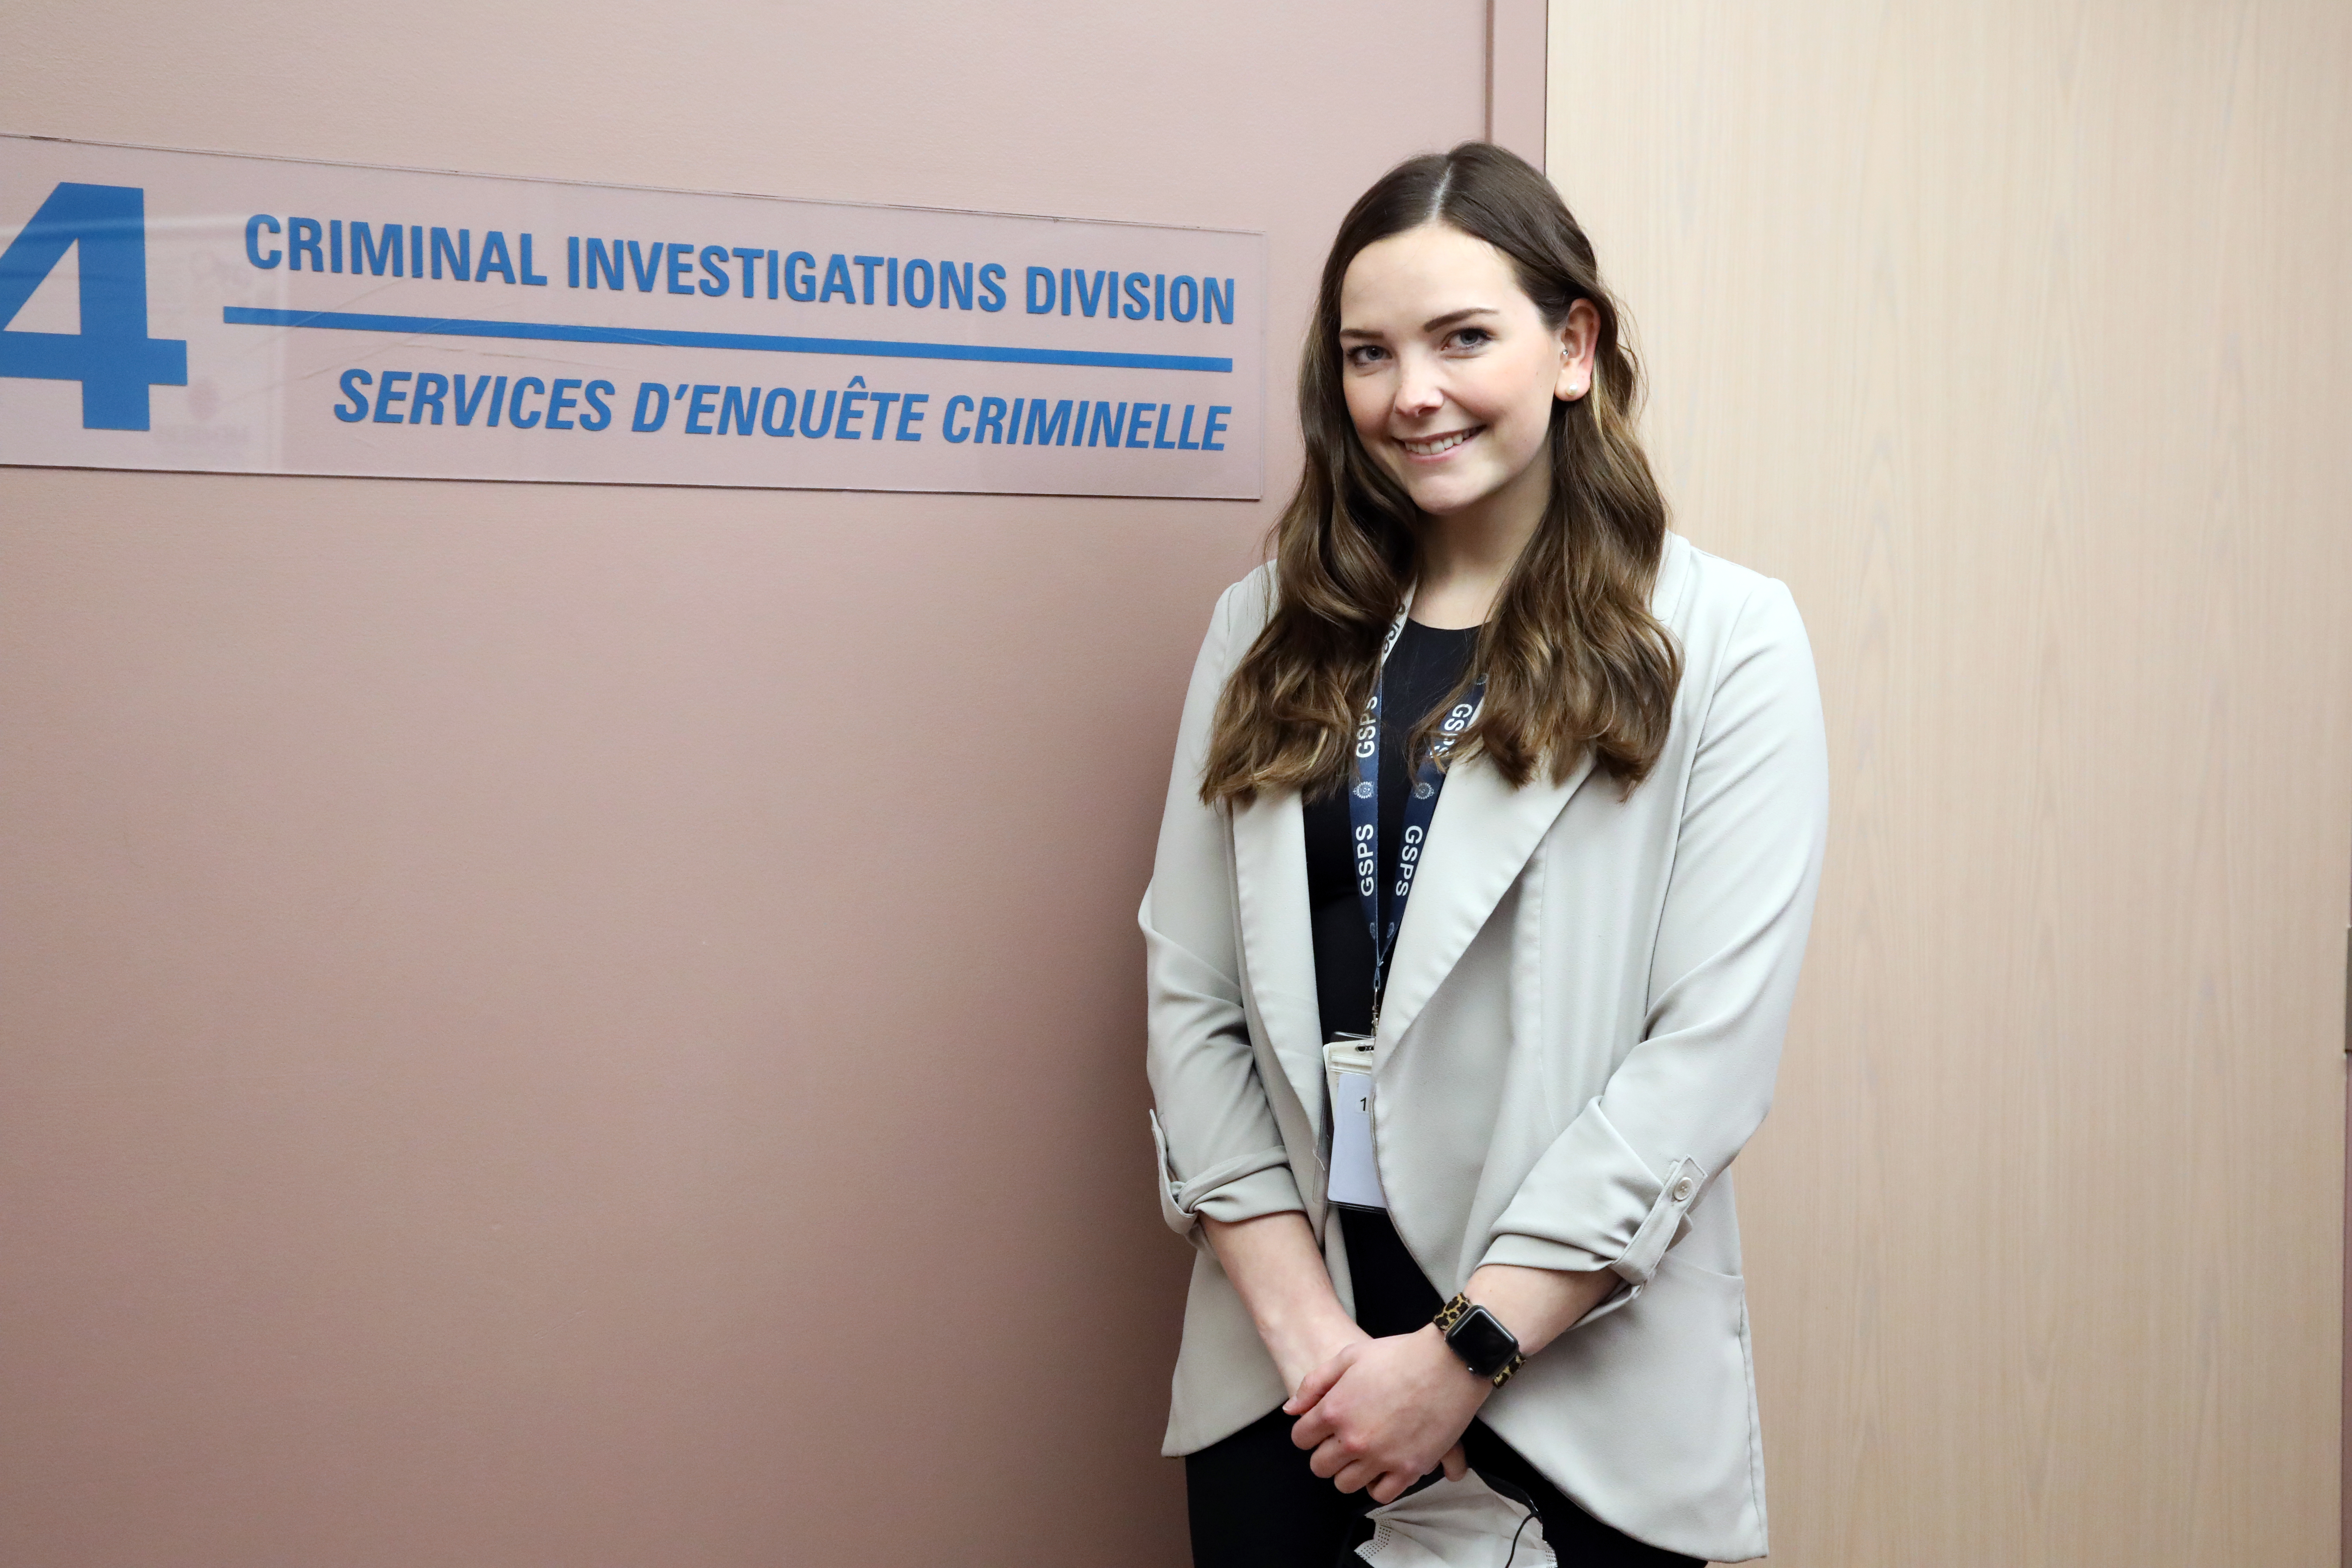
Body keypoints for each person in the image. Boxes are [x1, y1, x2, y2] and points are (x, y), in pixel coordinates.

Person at [1140, 143, 1828, 1567]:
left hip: (1570, 1371)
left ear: (1573, 346)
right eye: (1368, 353)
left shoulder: (1727, 643)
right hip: (1293, 1378)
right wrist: (1316, 1345)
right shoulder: (1261, 630)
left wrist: (1456, 1356)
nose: (1414, 394)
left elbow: (1704, 1058)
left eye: (1464, 338)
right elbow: (1191, 1003)